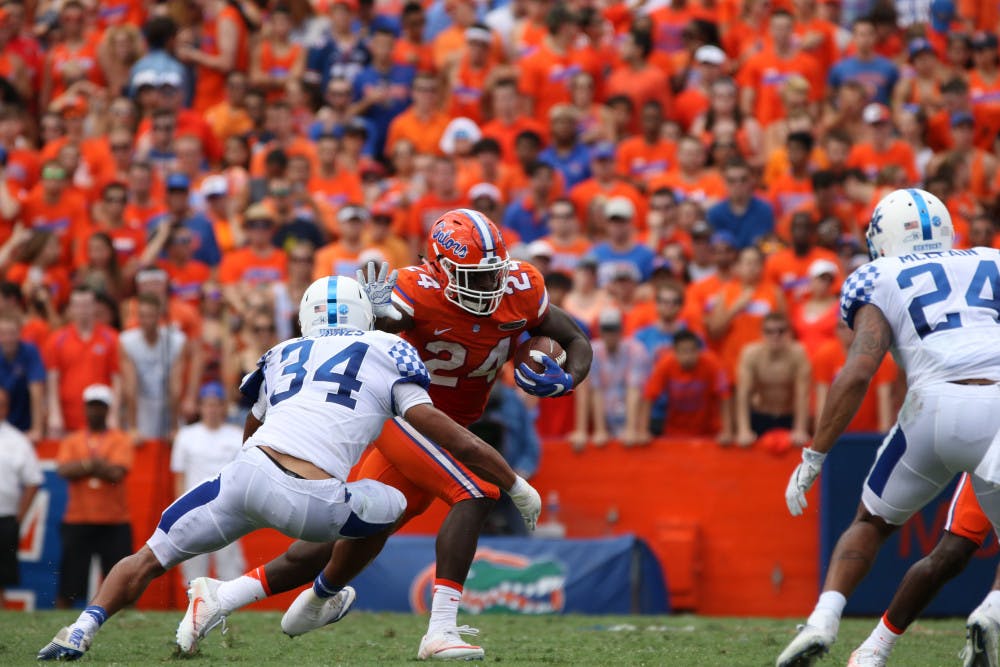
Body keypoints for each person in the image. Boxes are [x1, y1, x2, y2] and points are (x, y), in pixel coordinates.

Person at [37, 275, 542, 661]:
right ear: (367, 313)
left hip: (244, 478)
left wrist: (242, 488)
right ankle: (327, 594)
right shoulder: (386, 350)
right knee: (391, 503)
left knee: (148, 556)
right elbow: (447, 433)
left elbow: (251, 431)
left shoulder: (281, 353)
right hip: (314, 502)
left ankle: (78, 631)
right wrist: (513, 481)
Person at [176, 210, 591, 661]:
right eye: (475, 277)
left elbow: (575, 338)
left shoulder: (521, 287)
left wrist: (567, 379)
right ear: (440, 267)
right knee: (475, 493)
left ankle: (226, 596)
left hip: (452, 429)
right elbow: (375, 336)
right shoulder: (415, 288)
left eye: (493, 275)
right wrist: (378, 315)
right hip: (403, 417)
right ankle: (441, 629)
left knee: (354, 533)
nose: (489, 287)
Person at [776, 188, 1000, 667]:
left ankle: (824, 621)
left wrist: (814, 456)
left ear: (883, 235)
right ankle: (991, 610)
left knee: (871, 523)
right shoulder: (992, 260)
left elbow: (859, 371)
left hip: (932, 407)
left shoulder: (876, 275)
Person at [54, 384, 134, 609]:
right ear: (85, 408)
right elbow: (62, 470)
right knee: (69, 580)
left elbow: (117, 474)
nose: (95, 411)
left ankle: (125, 620)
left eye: (100, 407)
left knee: (122, 580)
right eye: (92, 406)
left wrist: (83, 467)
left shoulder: (120, 438)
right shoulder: (73, 439)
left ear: (108, 410)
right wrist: (94, 464)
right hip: (79, 518)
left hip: (114, 520)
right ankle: (62, 617)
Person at [170, 382, 246, 584]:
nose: (212, 409)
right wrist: (181, 512)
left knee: (230, 568)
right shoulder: (186, 436)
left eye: (216, 404)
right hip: (195, 509)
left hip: (228, 509)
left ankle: (228, 610)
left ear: (223, 407)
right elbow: (180, 476)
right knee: (193, 570)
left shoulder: (236, 435)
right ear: (201, 407)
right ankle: (195, 611)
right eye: (208, 404)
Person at [734, 313, 811, 447]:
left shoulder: (798, 354)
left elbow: (802, 394)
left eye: (781, 331)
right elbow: (743, 393)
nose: (775, 336)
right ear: (761, 333)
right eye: (769, 331)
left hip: (788, 416)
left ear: (789, 333)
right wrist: (743, 429)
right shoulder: (751, 354)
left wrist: (800, 429)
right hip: (760, 415)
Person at [0, 386, 43, 603]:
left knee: (1, 578)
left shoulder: (16, 440)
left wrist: (19, 517)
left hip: (4, 517)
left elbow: (33, 481)